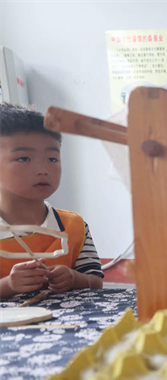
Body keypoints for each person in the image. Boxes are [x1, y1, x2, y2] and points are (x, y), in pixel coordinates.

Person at [0, 103, 103, 298]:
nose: (43, 170)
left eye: (52, 159)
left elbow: (95, 282)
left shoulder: (74, 226)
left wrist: (74, 278)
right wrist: (8, 285)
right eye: (24, 158)